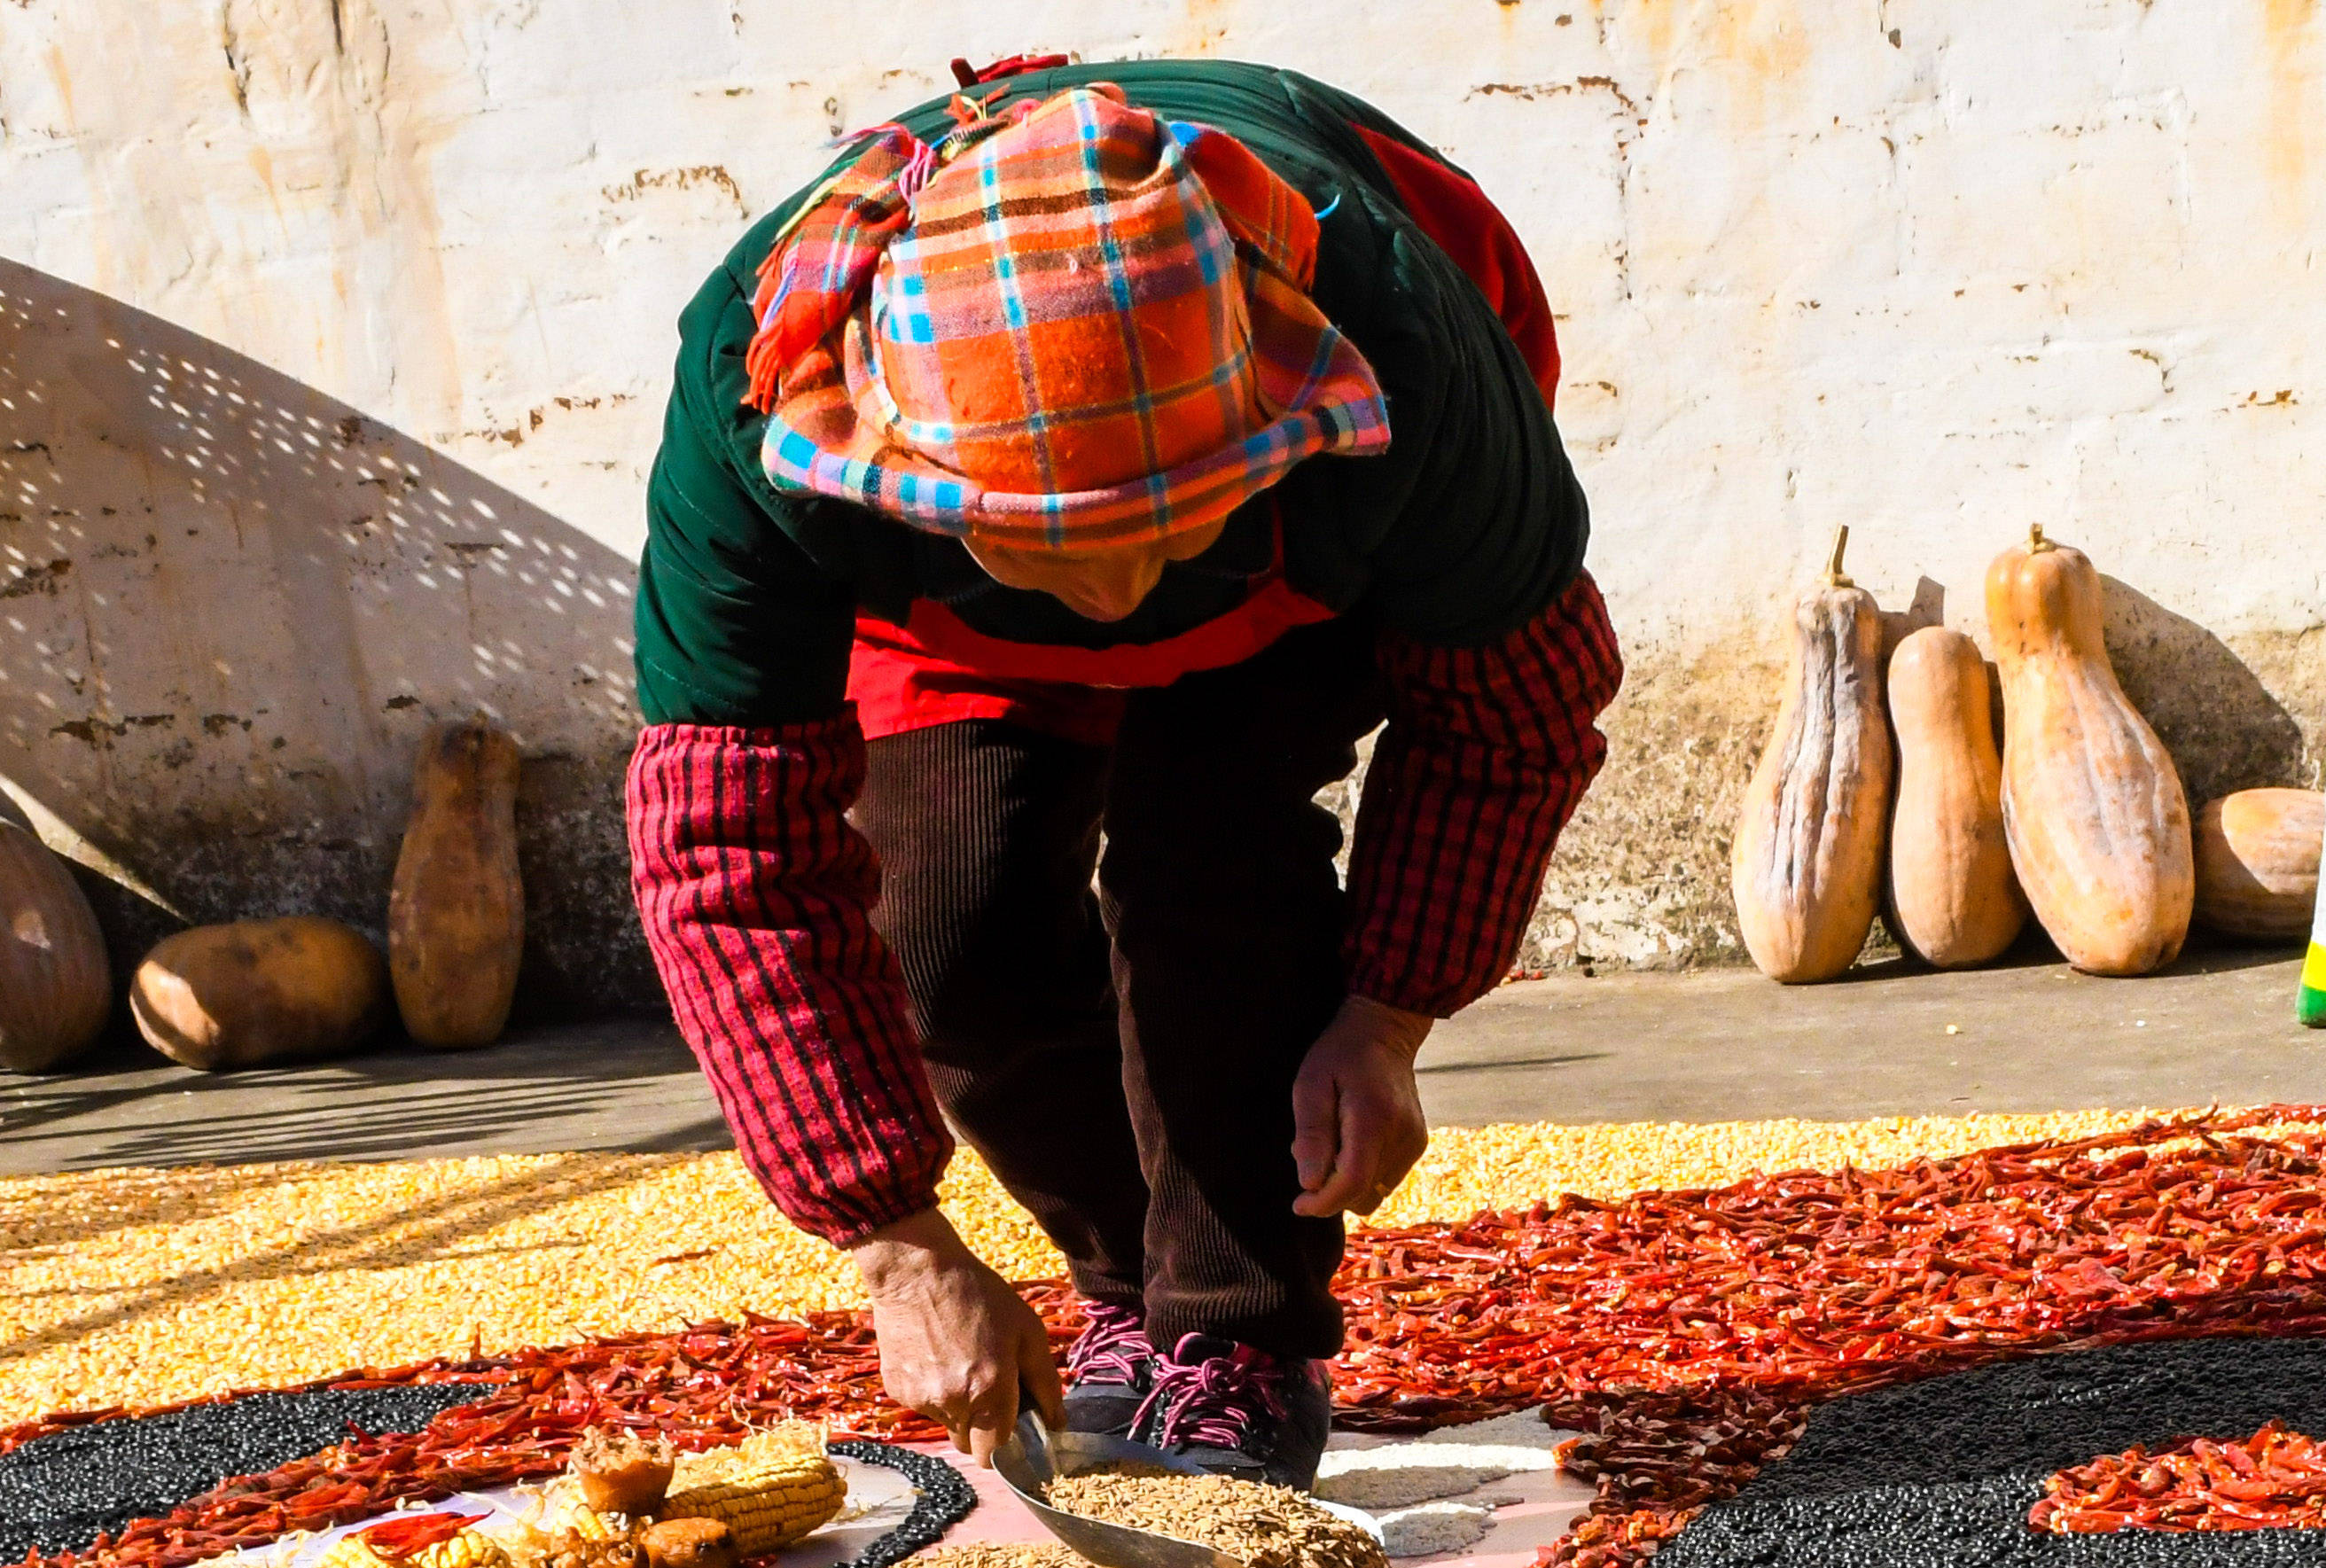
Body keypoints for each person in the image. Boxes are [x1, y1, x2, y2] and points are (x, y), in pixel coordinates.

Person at [628, 57, 1620, 1486]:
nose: (1114, 602)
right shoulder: (765, 406)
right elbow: (726, 851)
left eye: (1151, 533)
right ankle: (1127, 1285)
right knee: (948, 914)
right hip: (957, 581)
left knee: (1208, 849)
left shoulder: (1398, 346)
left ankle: (1236, 1331)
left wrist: (1392, 1010)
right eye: (1057, 548)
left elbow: (1511, 714)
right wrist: (894, 1243)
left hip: (1287, 526)